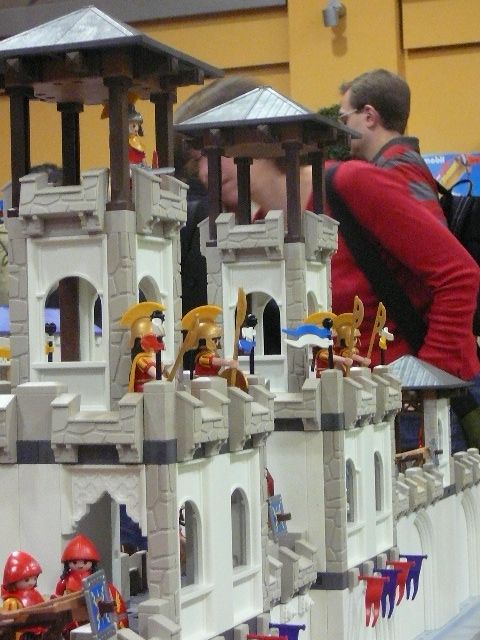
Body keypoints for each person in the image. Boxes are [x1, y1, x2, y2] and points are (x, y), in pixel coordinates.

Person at [174, 76, 480, 387]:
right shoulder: (261, 225)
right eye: (198, 161)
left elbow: (458, 274)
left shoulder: (351, 183)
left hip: (410, 395)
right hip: (342, 398)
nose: (204, 173)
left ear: (257, 138)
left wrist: (427, 379)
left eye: (213, 155)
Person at [338, 68, 443, 220]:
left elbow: (433, 231)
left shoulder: (397, 166)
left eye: (344, 119)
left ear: (369, 116)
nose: (342, 128)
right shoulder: (398, 162)